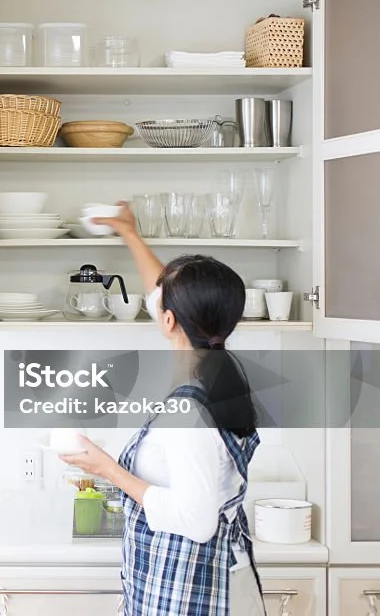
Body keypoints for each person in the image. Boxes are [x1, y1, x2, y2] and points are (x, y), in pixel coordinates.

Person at [61, 201, 266, 616]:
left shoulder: (186, 413)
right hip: (215, 581)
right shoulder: (221, 377)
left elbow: (197, 521)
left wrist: (108, 471)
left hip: (194, 594)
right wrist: (130, 233)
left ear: (170, 320)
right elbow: (163, 295)